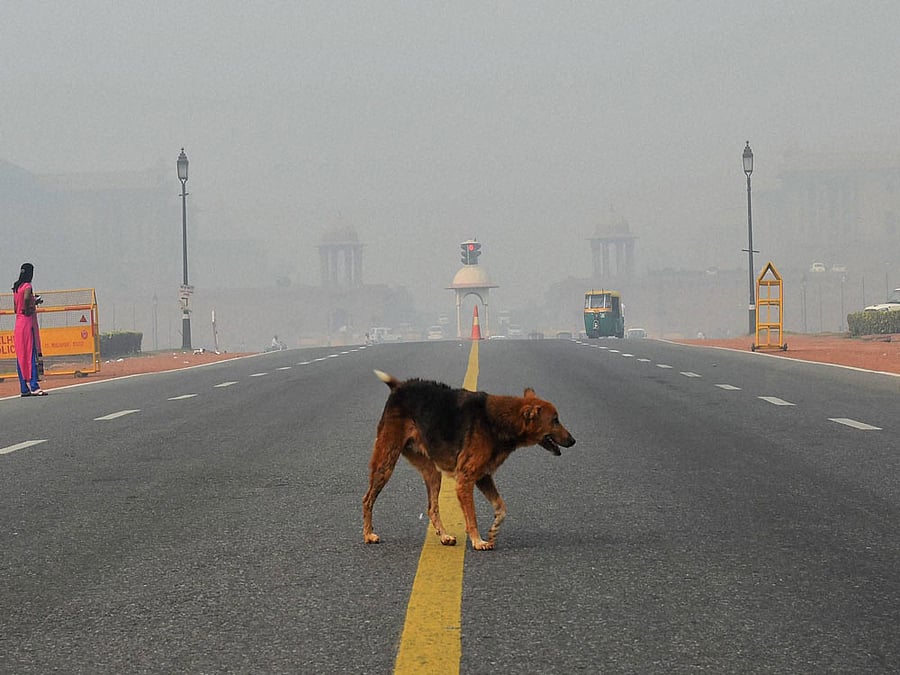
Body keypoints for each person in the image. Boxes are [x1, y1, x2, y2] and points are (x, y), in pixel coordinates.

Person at [12, 262, 46, 397]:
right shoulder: (27, 286)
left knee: (21, 355)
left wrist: (26, 306)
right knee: (30, 353)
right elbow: (26, 298)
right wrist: (29, 307)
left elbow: (15, 308)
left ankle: (23, 387)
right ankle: (34, 385)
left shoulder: (16, 287)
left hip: (18, 323)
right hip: (27, 322)